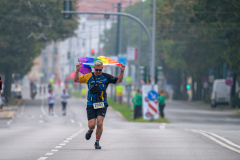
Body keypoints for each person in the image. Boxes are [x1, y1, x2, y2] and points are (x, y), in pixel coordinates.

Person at [74, 60, 125, 149]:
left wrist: (122, 71)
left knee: (100, 123)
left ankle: (97, 142)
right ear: (94, 69)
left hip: (102, 103)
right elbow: (76, 80)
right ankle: (90, 130)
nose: (98, 72)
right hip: (91, 103)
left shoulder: (106, 77)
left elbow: (119, 80)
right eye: (96, 70)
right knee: (92, 125)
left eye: (99, 70)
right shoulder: (88, 76)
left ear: (102, 69)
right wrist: (77, 70)